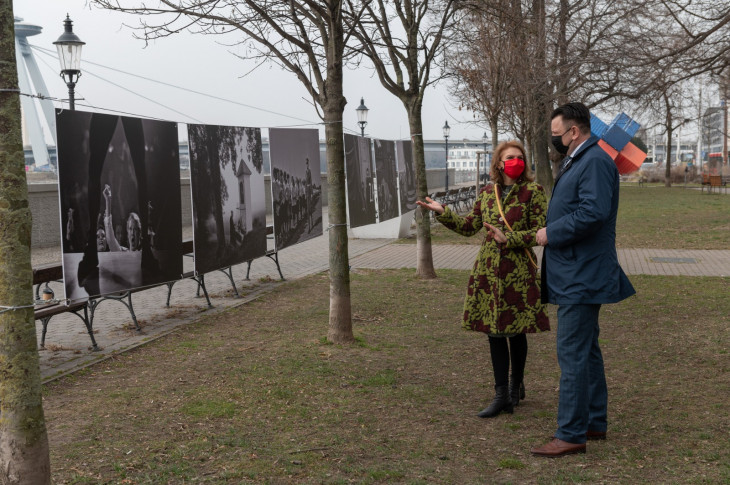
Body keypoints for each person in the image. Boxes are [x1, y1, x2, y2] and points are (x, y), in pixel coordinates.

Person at [531, 102, 635, 457]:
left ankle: (572, 433)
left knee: (572, 355)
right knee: (586, 352)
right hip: (578, 272)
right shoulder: (582, 158)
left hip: (581, 274)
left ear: (574, 131)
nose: (555, 141)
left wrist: (550, 233)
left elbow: (592, 212)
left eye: (557, 134)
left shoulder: (592, 161)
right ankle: (593, 421)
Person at [417, 140, 550, 418]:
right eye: (510, 157)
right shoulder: (488, 193)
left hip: (519, 272)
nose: (516, 161)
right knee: (494, 332)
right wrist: (444, 214)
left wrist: (509, 238)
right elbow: (469, 227)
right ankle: (501, 394)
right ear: (499, 164)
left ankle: (515, 387)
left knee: (516, 330)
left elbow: (540, 232)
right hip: (489, 271)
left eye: (520, 157)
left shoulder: (533, 192)